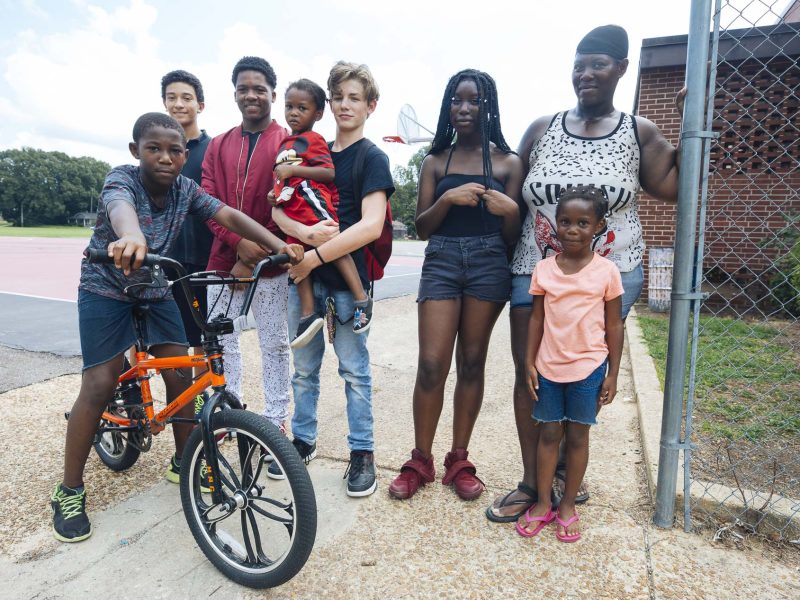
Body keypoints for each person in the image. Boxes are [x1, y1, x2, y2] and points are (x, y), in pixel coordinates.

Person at [51, 112, 302, 543]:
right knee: (99, 380)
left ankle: (186, 462)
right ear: (136, 152)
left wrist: (279, 244)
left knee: (181, 371)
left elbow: (230, 216)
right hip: (105, 287)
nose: (164, 157)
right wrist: (131, 238)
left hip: (153, 285)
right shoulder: (122, 180)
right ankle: (69, 489)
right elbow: (120, 211)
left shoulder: (186, 190)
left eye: (174, 150)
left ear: (185, 156)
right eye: (154, 149)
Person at [487, 24, 680, 522]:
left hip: (611, 276)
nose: (585, 74)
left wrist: (691, 118)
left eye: (597, 64)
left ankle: (567, 473)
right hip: (536, 271)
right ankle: (533, 481)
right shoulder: (541, 128)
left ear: (621, 69)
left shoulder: (639, 132)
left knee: (585, 373)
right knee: (532, 373)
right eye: (578, 65)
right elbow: (509, 192)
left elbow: (676, 186)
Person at [387, 69, 523, 501]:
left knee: (472, 361)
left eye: (475, 100)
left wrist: (510, 211)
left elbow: (513, 238)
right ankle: (419, 460)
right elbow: (424, 227)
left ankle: (459, 460)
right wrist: (447, 198)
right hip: (443, 258)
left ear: (490, 106)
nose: (465, 108)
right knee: (431, 364)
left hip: (489, 262)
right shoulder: (435, 161)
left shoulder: (508, 163)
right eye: (457, 100)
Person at [271, 61, 394, 497]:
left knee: (354, 370)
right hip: (305, 275)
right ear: (328, 103)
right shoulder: (308, 148)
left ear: (370, 106)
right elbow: (278, 206)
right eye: (338, 96)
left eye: (355, 97)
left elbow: (370, 225)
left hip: (347, 278)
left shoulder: (372, 158)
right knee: (303, 369)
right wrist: (303, 236)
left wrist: (316, 255)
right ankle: (302, 441)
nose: (346, 104)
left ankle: (362, 453)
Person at [514, 185, 623, 543]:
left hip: (589, 369)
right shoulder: (544, 270)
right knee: (548, 434)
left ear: (599, 226)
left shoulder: (607, 272)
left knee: (577, 437)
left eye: (582, 222)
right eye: (565, 222)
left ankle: (567, 508)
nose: (572, 229)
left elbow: (613, 324)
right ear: (555, 224)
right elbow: (535, 320)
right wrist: (529, 362)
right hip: (548, 367)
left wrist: (613, 373)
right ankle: (544, 504)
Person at [201, 56, 291, 431]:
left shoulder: (288, 141)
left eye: (259, 89)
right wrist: (236, 243)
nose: (251, 95)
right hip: (221, 262)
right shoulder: (218, 145)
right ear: (234, 93)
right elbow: (205, 199)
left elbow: (292, 201)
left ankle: (275, 420)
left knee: (274, 343)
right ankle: (227, 415)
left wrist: (256, 253)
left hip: (272, 265)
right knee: (223, 343)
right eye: (243, 89)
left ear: (273, 92)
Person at [272, 78, 373, 349]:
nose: (293, 112)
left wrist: (293, 172)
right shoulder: (286, 142)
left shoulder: (313, 140)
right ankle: (308, 314)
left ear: (317, 113)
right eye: (289, 106)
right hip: (292, 208)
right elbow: (282, 178)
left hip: (312, 203)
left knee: (331, 242)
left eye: (301, 107)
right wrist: (276, 193)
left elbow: (327, 173)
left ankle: (361, 297)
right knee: (295, 257)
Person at [160, 69, 213, 406]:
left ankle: (200, 400)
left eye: (186, 97)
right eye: (171, 97)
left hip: (207, 257)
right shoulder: (159, 150)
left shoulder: (213, 148)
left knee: (206, 339)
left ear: (200, 105)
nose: (178, 104)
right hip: (167, 259)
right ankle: (178, 403)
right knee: (172, 339)